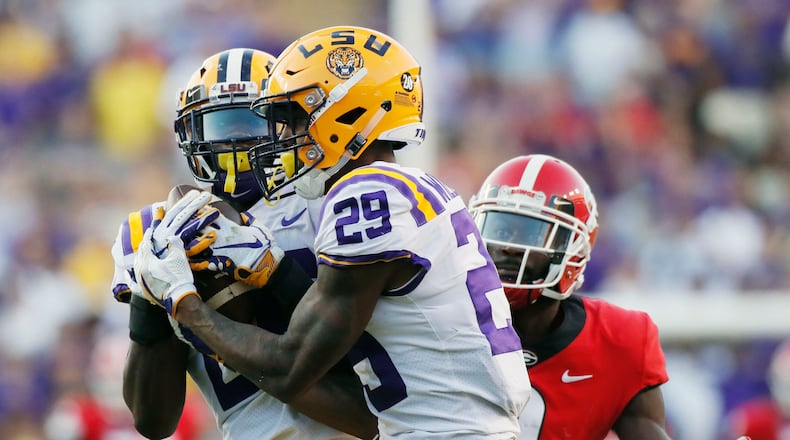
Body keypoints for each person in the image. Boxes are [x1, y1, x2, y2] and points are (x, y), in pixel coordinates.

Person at [133, 26, 531, 439]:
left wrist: (183, 302)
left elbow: (289, 369)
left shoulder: (367, 196)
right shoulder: (410, 188)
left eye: (293, 118)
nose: (283, 136)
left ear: (345, 113)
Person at [111, 48, 372, 439]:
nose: (234, 140)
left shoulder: (327, 202)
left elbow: (371, 357)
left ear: (287, 124)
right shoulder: (158, 229)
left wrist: (275, 272)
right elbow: (153, 421)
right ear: (189, 134)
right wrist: (149, 298)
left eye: (250, 121)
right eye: (220, 125)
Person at [468, 154, 671, 440]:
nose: (509, 247)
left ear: (575, 250)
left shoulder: (619, 341)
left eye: (532, 233)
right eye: (501, 229)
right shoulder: (441, 322)